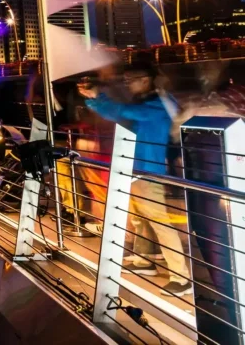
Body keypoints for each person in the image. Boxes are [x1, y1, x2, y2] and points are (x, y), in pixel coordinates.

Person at [78, 61, 191, 297]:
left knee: (160, 221)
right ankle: (144, 260)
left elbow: (122, 112)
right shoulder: (148, 104)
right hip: (138, 167)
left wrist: (97, 98)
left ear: (146, 79)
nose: (127, 85)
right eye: (126, 80)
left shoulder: (158, 106)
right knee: (140, 218)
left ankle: (181, 278)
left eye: (131, 80)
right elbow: (120, 112)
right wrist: (94, 99)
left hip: (150, 170)